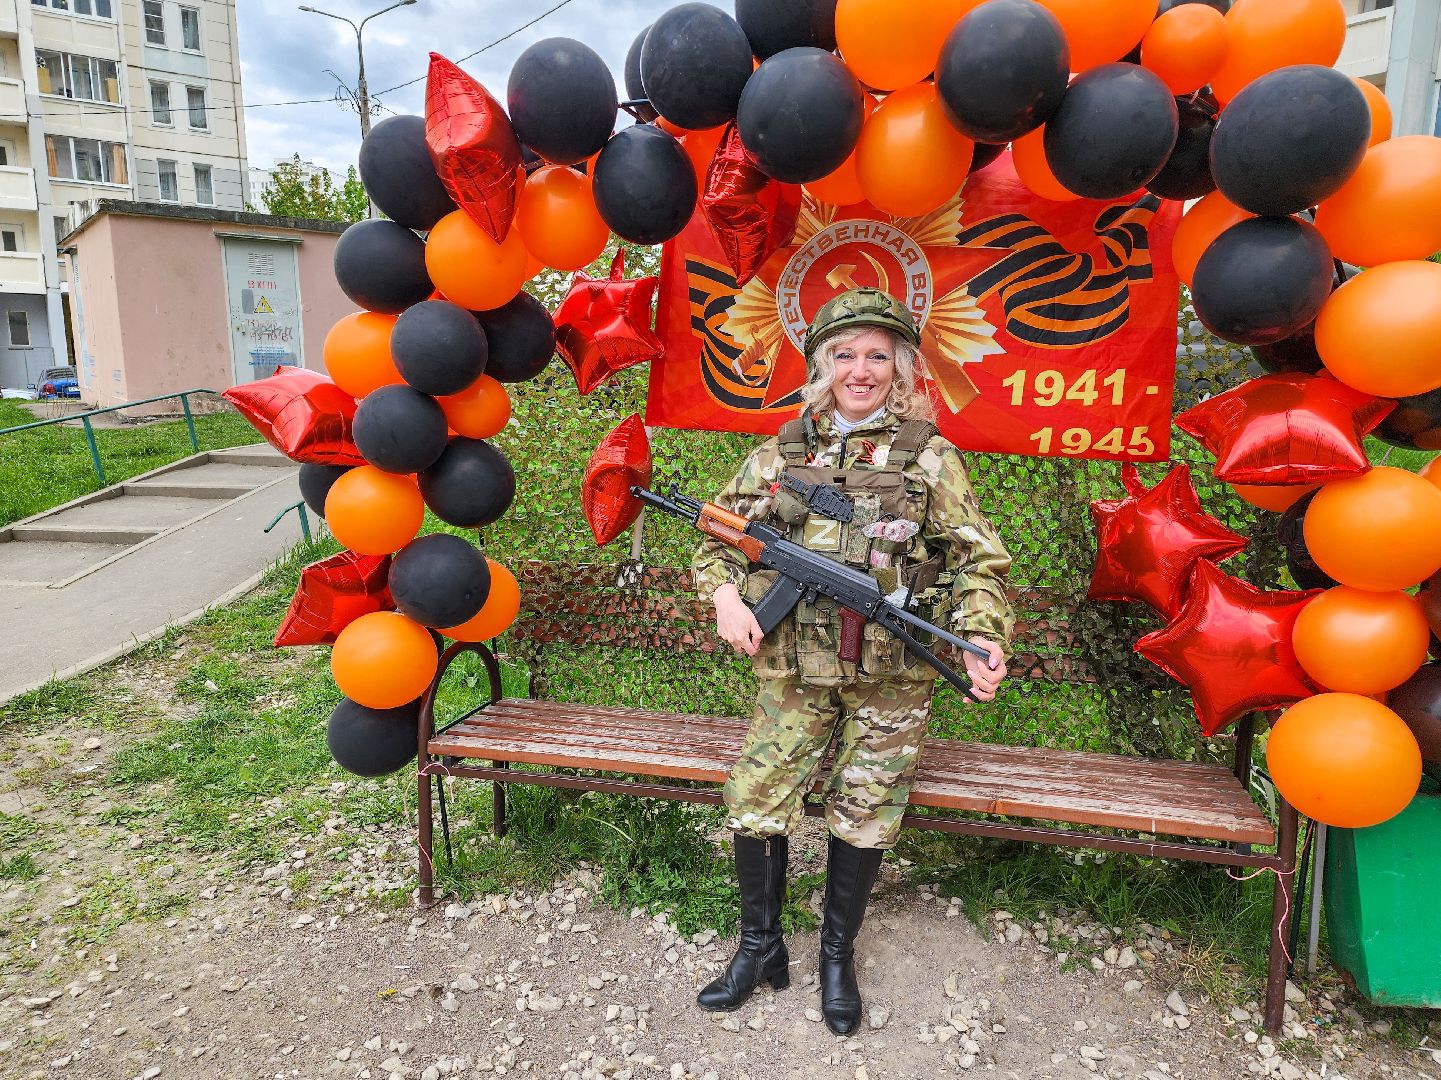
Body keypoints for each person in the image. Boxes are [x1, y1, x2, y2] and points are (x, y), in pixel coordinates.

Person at [690, 288, 1014, 1035]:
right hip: (793, 667)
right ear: (821, 366)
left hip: (890, 673)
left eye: (876, 356)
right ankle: (759, 950)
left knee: (867, 808)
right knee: (756, 797)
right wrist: (726, 599)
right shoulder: (780, 453)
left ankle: (836, 956)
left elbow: (978, 563)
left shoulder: (928, 456)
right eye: (844, 355)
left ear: (899, 368)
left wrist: (983, 635)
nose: (859, 370)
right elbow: (716, 538)